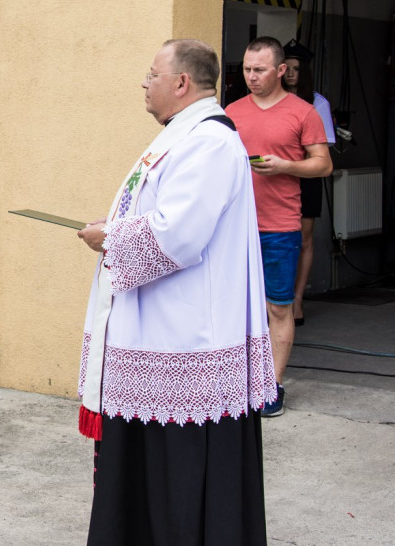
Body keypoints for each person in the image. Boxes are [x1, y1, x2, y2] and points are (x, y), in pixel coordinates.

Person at [77, 39, 275, 545]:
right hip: (161, 334)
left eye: (152, 74)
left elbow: (178, 233)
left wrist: (112, 237)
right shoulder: (180, 136)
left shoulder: (208, 141)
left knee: (179, 476)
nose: (145, 84)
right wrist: (118, 224)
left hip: (186, 341)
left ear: (182, 83)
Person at [226, 36, 332, 416]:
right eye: (246, 69)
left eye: (259, 70)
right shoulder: (232, 111)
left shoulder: (304, 112)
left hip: (279, 226)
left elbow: (323, 164)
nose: (251, 76)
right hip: (235, 227)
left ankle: (272, 386)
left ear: (281, 70)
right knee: (233, 308)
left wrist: (286, 166)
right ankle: (236, 382)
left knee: (278, 308)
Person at [281, 39, 336, 325]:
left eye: (296, 69)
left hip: (305, 176)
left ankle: (297, 299)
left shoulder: (316, 102)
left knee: (303, 239)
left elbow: (323, 148)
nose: (290, 74)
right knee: (277, 239)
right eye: (286, 68)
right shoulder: (270, 100)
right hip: (275, 177)